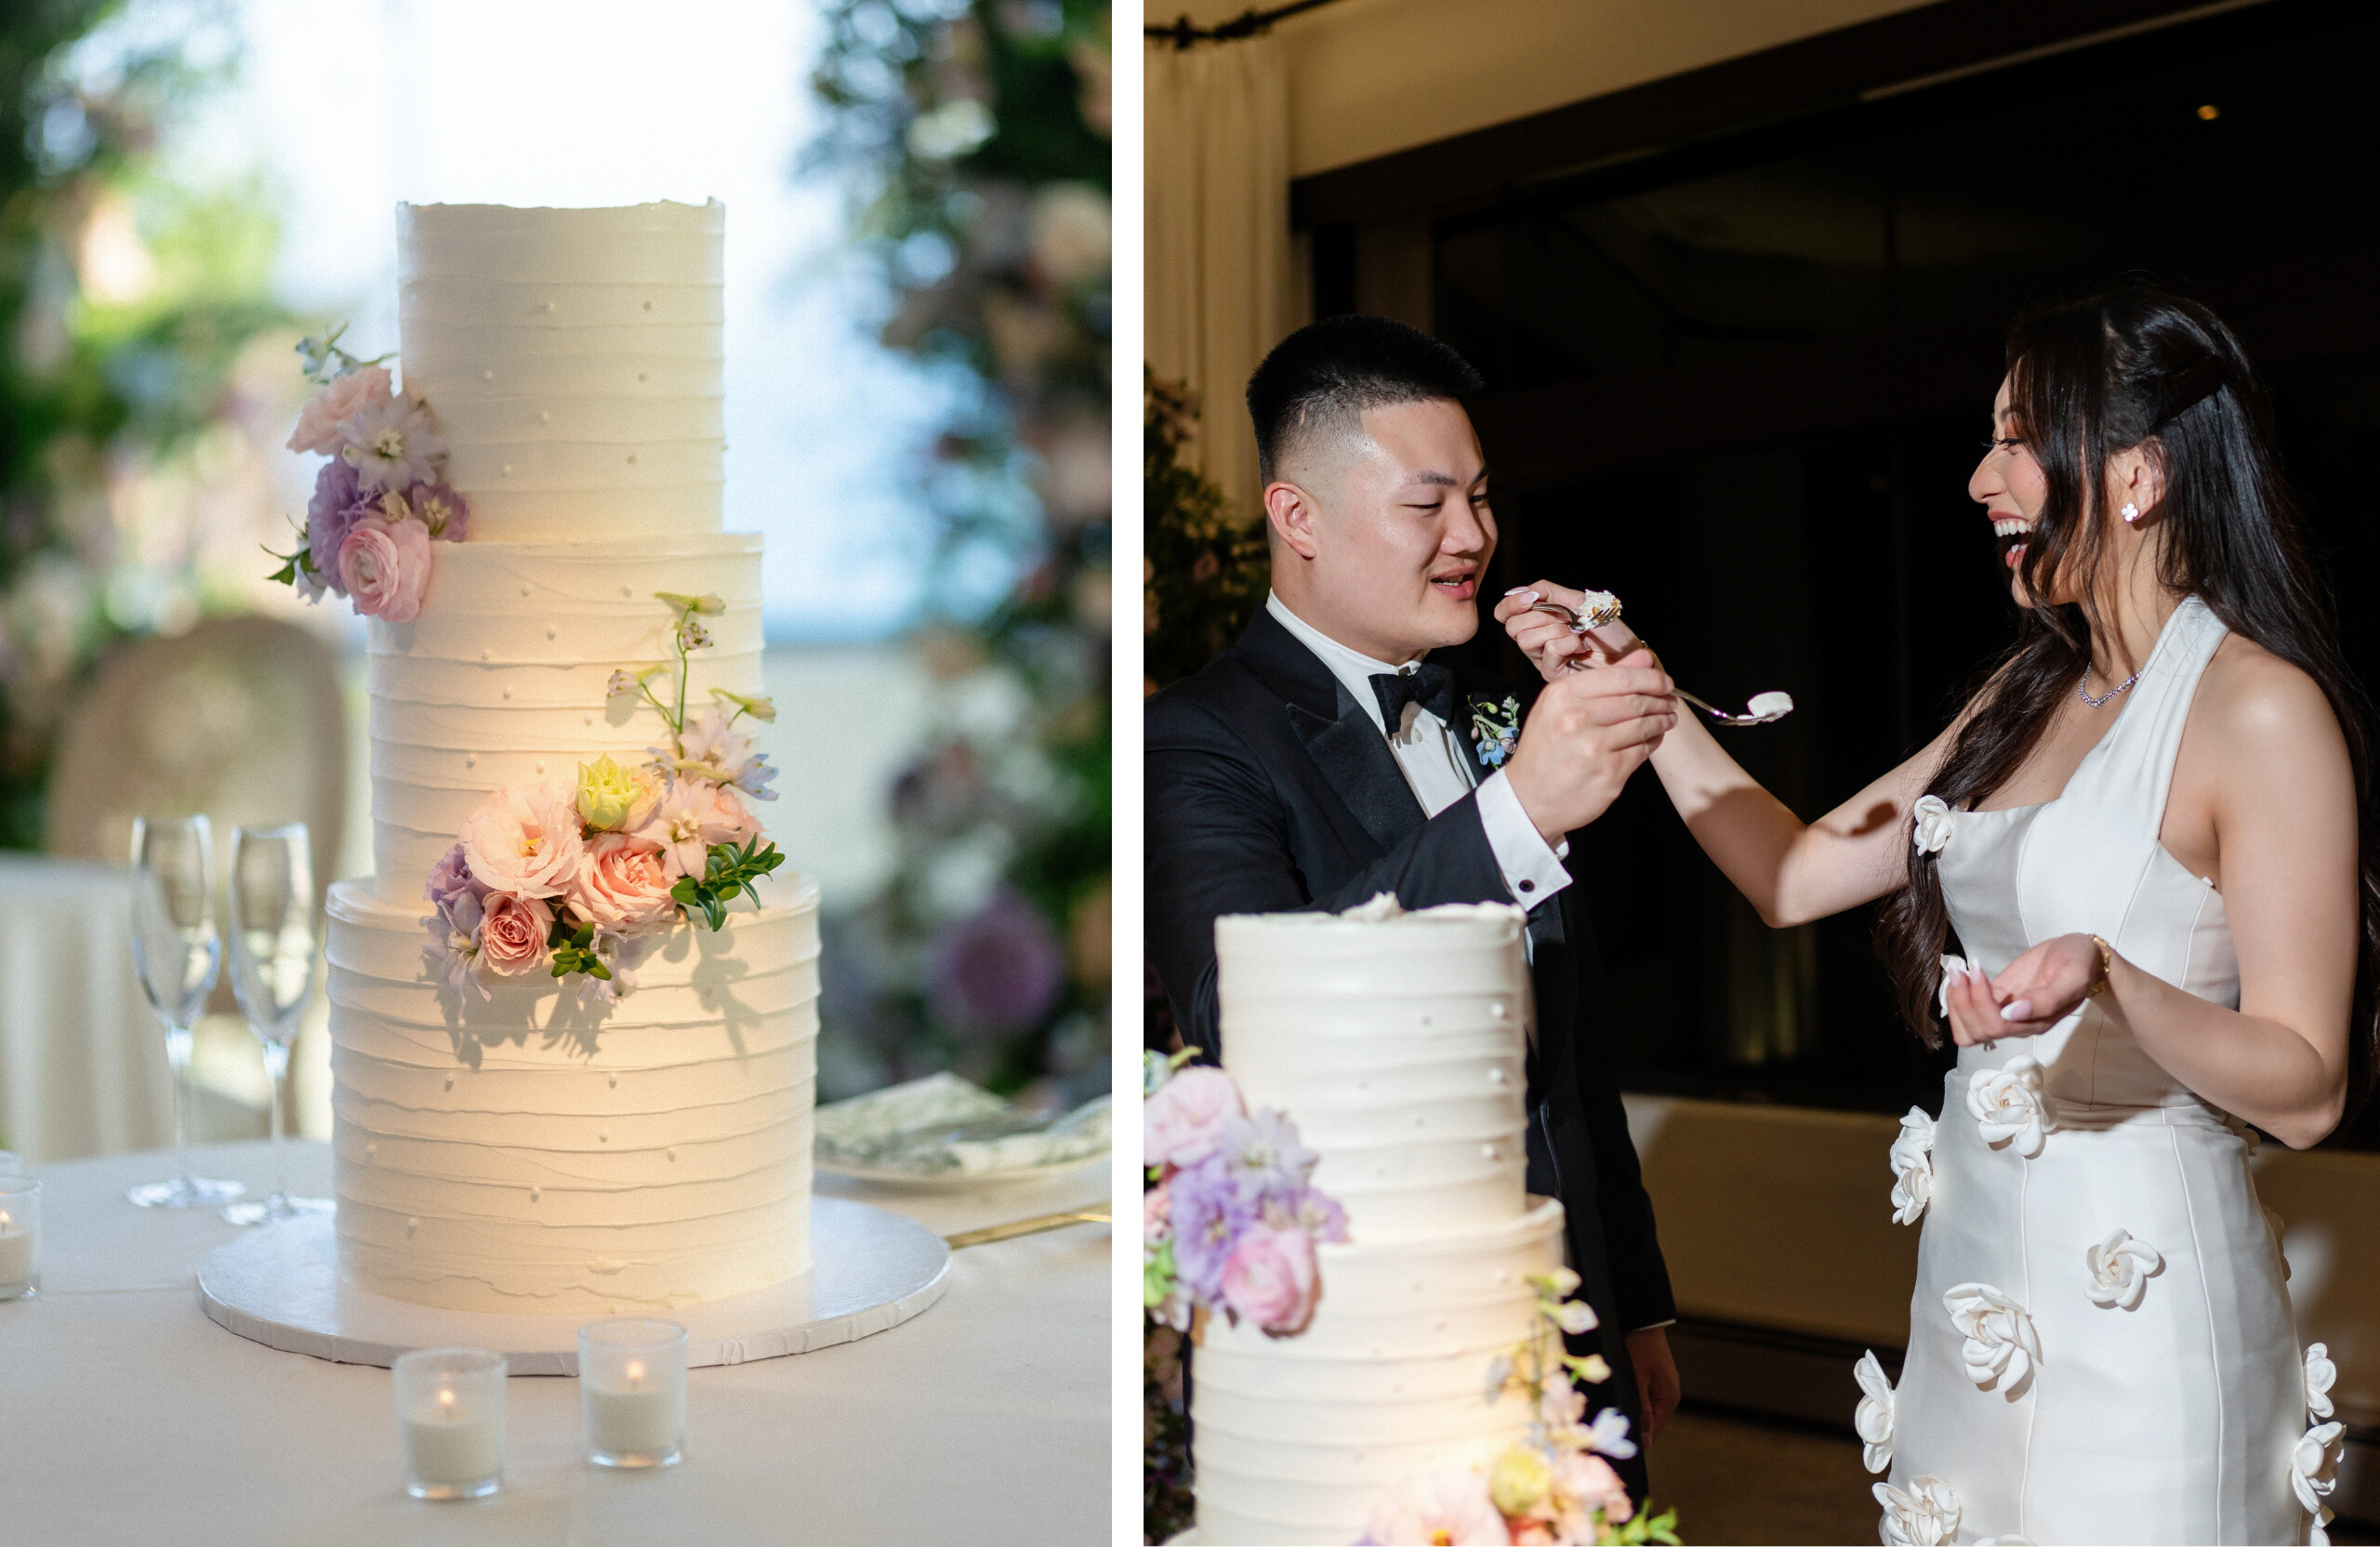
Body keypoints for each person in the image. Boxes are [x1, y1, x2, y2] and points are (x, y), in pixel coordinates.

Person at [1500, 284, 2371, 1544]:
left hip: (2149, 1306)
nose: (1979, 478)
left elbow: (2309, 1085)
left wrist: (2115, 981)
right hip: (1978, 1282)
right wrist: (1636, 694)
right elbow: (1794, 874)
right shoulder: (2032, 690)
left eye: (2017, 438)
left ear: (2134, 474)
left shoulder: (2258, 711)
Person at [1144, 313, 1684, 1486]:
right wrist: (1515, 817)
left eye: (1482, 499)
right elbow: (1241, 1010)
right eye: (1427, 503)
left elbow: (1572, 1042)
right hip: (1375, 1336)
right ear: (1297, 518)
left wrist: (1630, 1301)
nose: (1474, 536)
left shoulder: (1486, 714)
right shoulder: (1194, 736)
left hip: (1568, 1313)